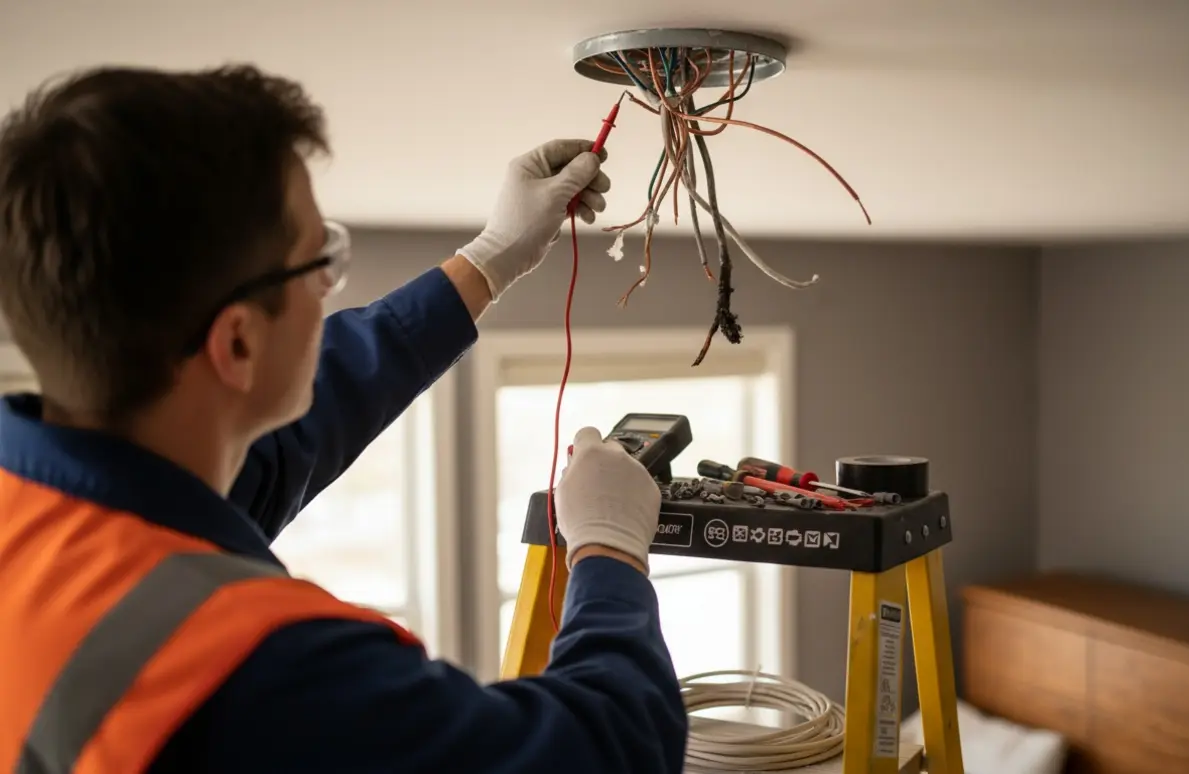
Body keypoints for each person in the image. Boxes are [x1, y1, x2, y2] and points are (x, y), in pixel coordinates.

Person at [0, 64, 687, 772]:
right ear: (237, 341)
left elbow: (295, 429)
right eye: (318, 261)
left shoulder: (38, 503)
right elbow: (603, 752)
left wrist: (491, 259)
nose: (329, 285)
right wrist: (609, 549)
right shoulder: (267, 669)